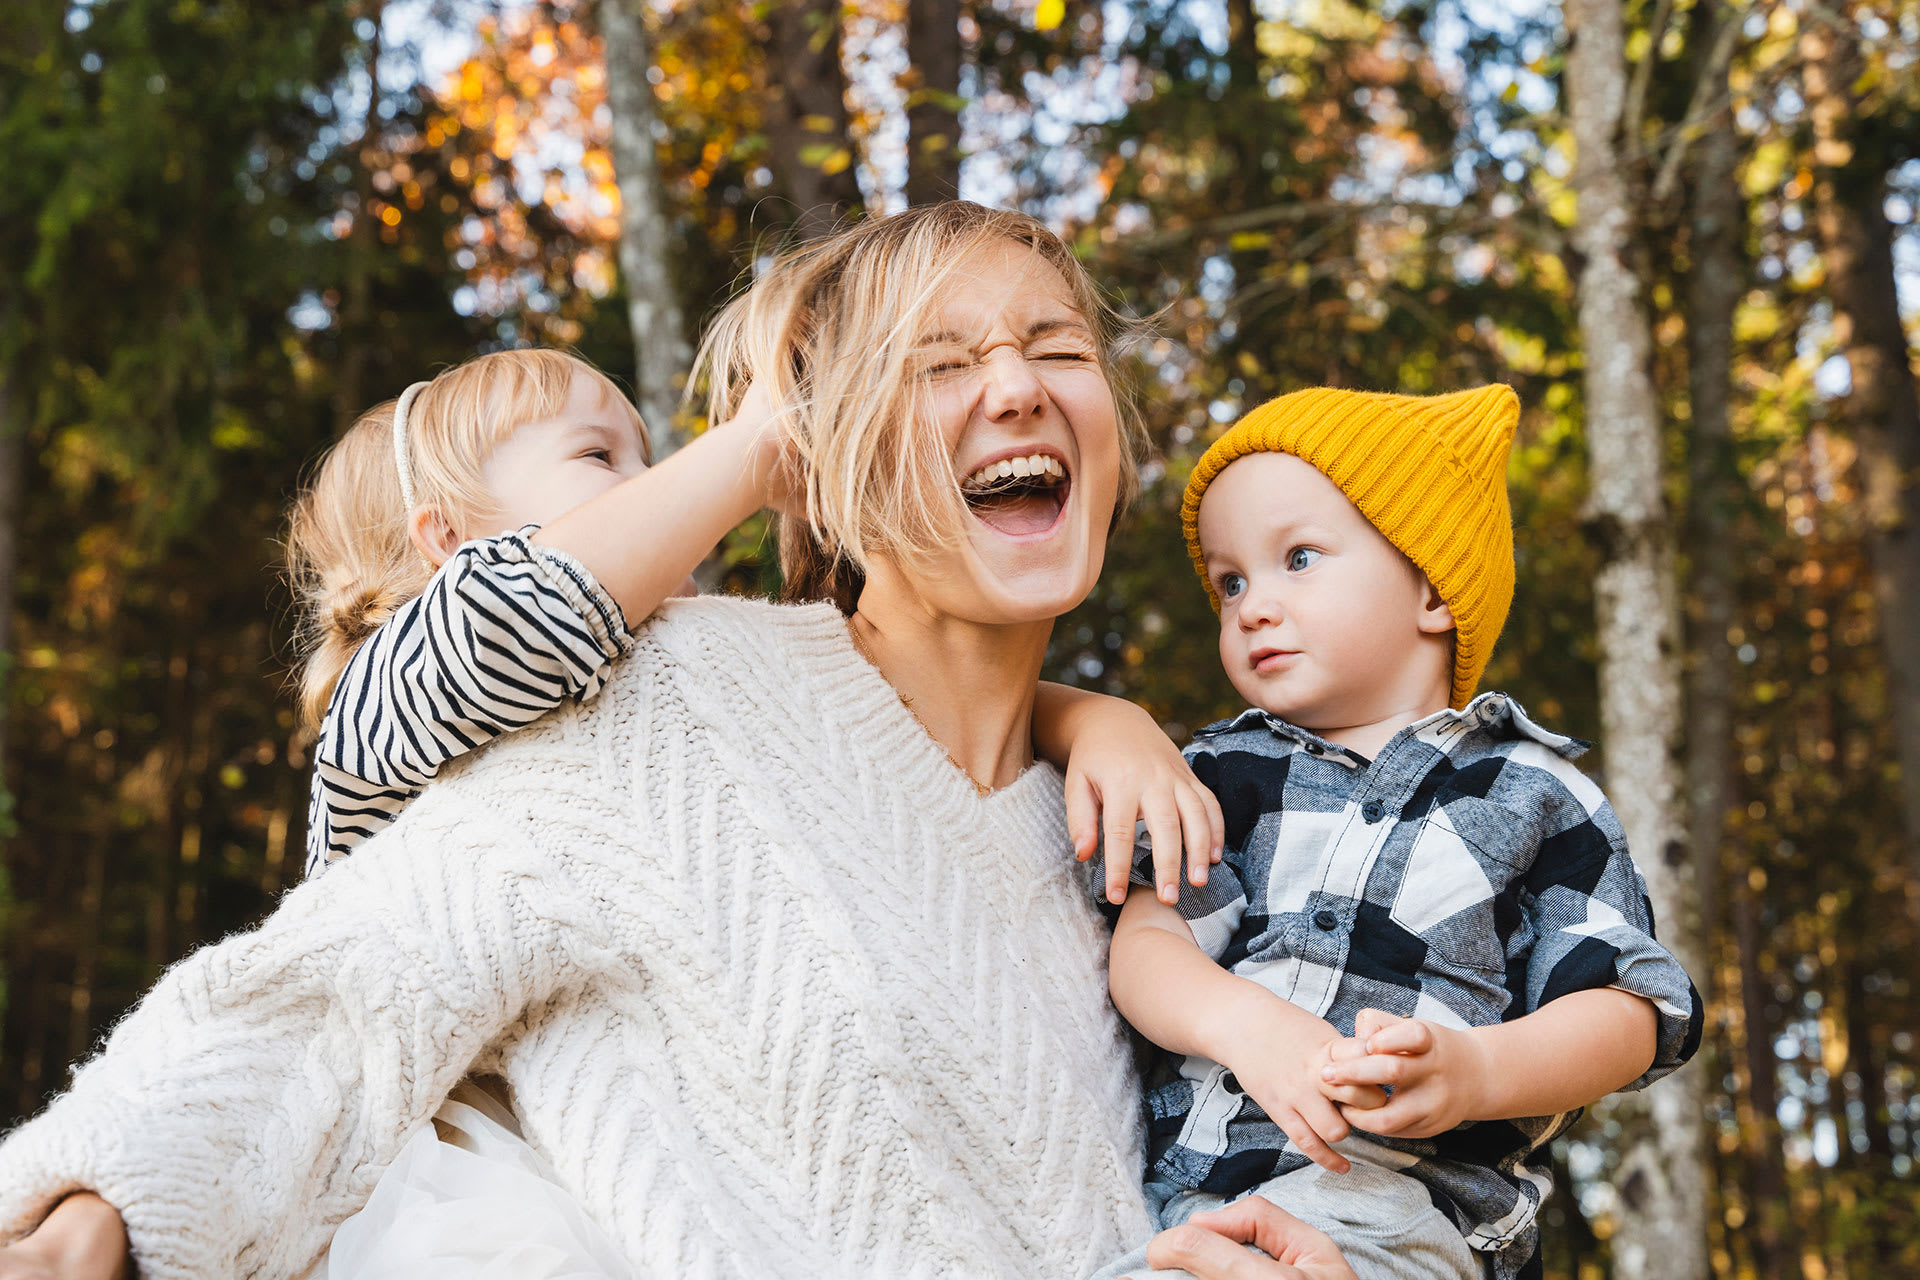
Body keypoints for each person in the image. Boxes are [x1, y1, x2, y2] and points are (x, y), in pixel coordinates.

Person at [0, 202, 1311, 1280]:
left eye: (1056, 347)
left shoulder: (1145, 831)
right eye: (941, 361)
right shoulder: (667, 696)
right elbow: (346, 988)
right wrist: (110, 1199)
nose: (1017, 387)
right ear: (824, 445)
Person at [1090, 385, 1705, 1280]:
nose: (1252, 605)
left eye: (1297, 558)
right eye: (1231, 582)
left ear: (1428, 585)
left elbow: (1629, 1011)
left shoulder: (1533, 790)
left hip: (1399, 1215)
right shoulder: (1224, 774)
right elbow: (1149, 939)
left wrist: (1478, 1072)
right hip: (1183, 1199)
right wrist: (1242, 1023)